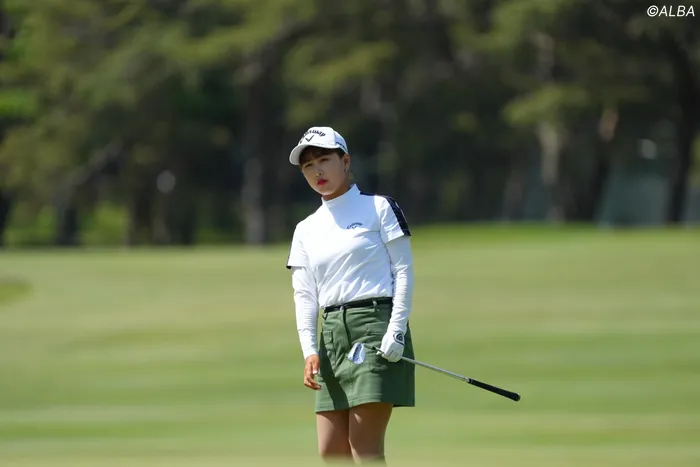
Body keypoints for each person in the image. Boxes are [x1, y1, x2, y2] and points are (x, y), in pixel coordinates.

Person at [285, 126, 416, 464]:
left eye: (324, 160)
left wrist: (396, 330)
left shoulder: (379, 208)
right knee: (332, 451)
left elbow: (403, 271)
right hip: (331, 336)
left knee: (364, 448)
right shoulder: (305, 229)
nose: (317, 171)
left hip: (375, 327)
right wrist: (309, 350)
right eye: (308, 166)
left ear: (345, 161)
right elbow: (304, 295)